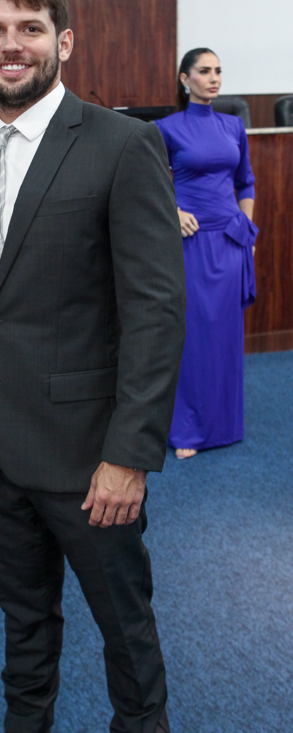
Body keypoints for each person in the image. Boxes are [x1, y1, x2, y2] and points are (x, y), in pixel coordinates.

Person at [0, 0, 185, 733]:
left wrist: (129, 454)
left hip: (90, 457)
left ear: (64, 42)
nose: (11, 45)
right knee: (23, 616)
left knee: (125, 626)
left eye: (30, 28)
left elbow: (155, 310)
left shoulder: (121, 144)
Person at [156, 49, 257, 460]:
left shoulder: (234, 126)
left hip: (231, 241)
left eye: (218, 71)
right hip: (191, 244)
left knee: (226, 337)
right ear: (185, 79)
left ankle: (224, 424)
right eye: (204, 71)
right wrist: (174, 210)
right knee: (194, 337)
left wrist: (247, 231)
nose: (214, 78)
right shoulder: (166, 129)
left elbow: (246, 182)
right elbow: (148, 183)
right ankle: (189, 428)